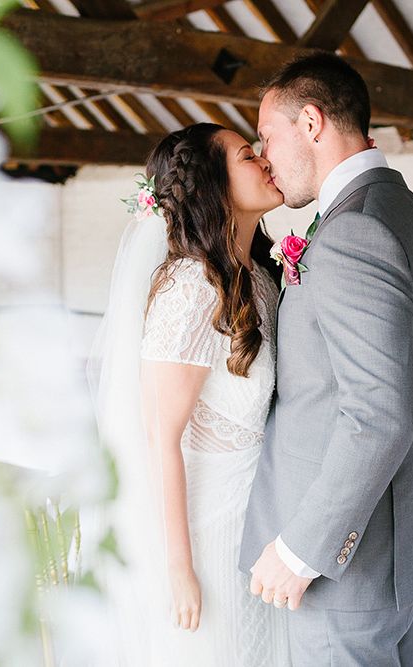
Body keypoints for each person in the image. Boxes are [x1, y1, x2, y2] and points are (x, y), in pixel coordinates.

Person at [239, 52, 413, 665]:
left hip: (346, 566)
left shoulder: (353, 231)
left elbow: (379, 416)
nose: (265, 156)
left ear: (311, 123)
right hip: (390, 551)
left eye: (267, 136)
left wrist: (300, 550)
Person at [88, 122, 290, 666]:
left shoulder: (263, 281)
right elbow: (160, 436)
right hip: (208, 525)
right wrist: (180, 567)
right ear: (213, 185)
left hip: (258, 517)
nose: (267, 161)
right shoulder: (190, 286)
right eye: (249, 155)